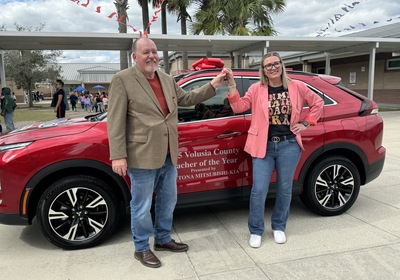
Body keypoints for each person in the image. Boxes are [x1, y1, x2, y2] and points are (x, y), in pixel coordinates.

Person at [107, 37, 227, 268]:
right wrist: (118, 155)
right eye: (146, 52)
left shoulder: (166, 78)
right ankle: (141, 247)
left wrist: (214, 85)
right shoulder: (122, 80)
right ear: (135, 56)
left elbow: (187, 98)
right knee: (141, 205)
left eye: (154, 51)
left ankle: (162, 239)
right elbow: (115, 121)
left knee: (168, 199)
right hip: (141, 154)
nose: (152, 56)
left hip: (169, 153)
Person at [225, 52, 324, 247]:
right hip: (263, 146)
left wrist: (306, 123)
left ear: (281, 65)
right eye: (267, 65)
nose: (272, 67)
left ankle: (279, 226)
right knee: (259, 189)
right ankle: (256, 230)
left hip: (289, 145)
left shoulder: (297, 86)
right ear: (263, 69)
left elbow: (317, 103)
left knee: (285, 188)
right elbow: (238, 107)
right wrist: (232, 85)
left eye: (275, 63)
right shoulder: (257, 89)